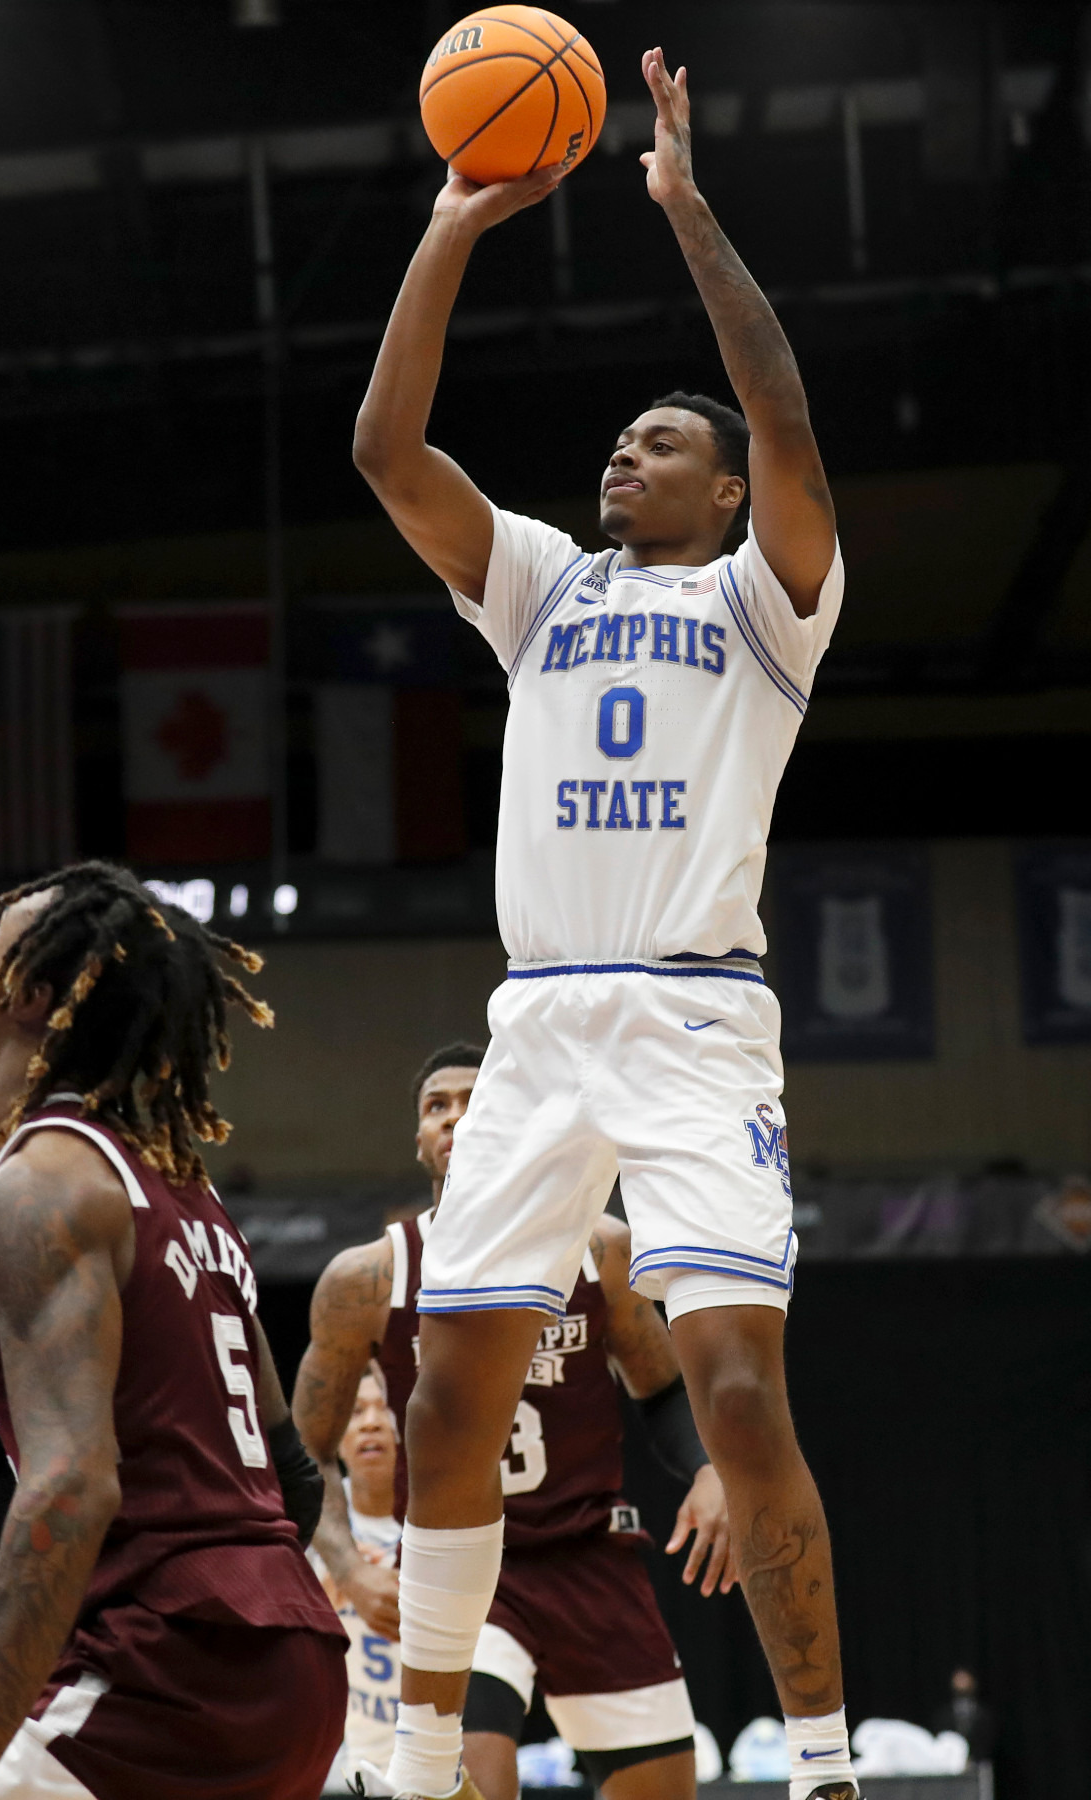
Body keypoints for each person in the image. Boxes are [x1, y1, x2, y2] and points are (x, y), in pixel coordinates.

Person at [352, 41, 855, 1800]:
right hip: (543, 1018)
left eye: (659, 444)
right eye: (621, 442)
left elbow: (784, 418)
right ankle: (420, 1751)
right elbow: (386, 447)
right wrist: (451, 221)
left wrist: (686, 210)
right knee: (447, 1397)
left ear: (723, 495)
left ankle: (824, 1764)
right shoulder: (544, 584)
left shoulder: (766, 603)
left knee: (732, 1388)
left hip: (697, 1014)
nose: (622, 455)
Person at [0, 863, 346, 1800]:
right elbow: (290, 1477)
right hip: (286, 1658)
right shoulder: (181, 1189)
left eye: (0, 927)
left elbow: (71, 1486)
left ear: (31, 993)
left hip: (168, 1669)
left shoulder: (42, 1190)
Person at [295, 1043, 735, 1800]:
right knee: (468, 1783)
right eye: (437, 1106)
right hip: (462, 1562)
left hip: (587, 1554)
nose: (456, 1117)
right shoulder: (369, 1278)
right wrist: (342, 1565)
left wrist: (707, 1469)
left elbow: (662, 1389)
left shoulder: (601, 1250)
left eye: (475, 1099)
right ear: (420, 1139)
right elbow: (303, 1451)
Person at [313, 1369, 405, 1785]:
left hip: (444, 1744)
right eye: (354, 1411)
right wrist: (319, 1602)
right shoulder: (315, 1518)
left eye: (384, 1408)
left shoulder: (447, 1511)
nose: (371, 1421)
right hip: (342, 1757)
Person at [932, 1669, 996, 1765]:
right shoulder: (944, 1715)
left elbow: (987, 1740)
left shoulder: (983, 1715)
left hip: (978, 1764)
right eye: (959, 1679)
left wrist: (973, 1759)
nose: (961, 1683)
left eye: (964, 1679)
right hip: (950, 1766)